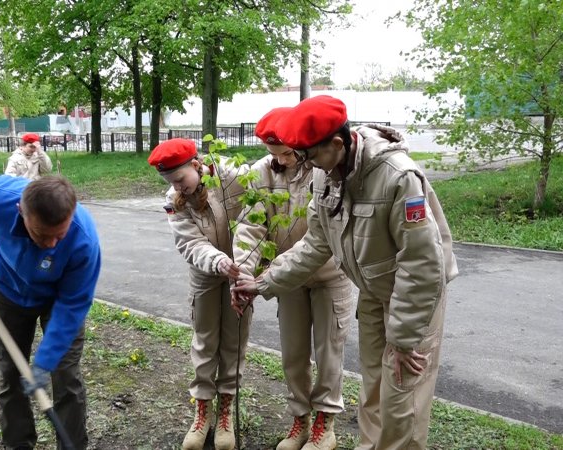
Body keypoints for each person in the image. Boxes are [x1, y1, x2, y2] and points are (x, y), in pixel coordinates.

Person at [232, 96, 458, 450]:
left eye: (309, 155)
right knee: (373, 389)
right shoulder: (325, 177)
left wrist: (403, 338)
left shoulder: (398, 177)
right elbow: (314, 245)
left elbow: (422, 265)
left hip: (415, 299)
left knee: (402, 400)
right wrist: (262, 282)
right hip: (373, 293)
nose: (304, 164)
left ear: (338, 143)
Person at [0, 175, 101, 450]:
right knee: (11, 375)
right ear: (20, 211)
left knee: (66, 376)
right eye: (42, 235)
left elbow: (72, 306)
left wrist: (44, 361)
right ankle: (17, 444)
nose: (51, 244)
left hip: (58, 301)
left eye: (59, 235)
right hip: (9, 292)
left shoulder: (84, 241)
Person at [233, 108, 354, 450]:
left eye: (288, 153)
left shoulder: (321, 169)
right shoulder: (260, 173)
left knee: (329, 351)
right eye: (275, 155)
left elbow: (320, 239)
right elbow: (250, 226)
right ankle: (300, 419)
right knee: (293, 352)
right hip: (286, 279)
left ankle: (324, 425)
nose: (283, 161)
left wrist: (271, 274)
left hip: (330, 274)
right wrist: (243, 270)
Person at [147, 138, 249, 450]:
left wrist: (243, 263)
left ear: (196, 165)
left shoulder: (232, 177)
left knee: (233, 340)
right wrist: (218, 261)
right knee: (205, 341)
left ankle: (226, 412)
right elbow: (188, 243)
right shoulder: (174, 199)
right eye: (170, 183)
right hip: (206, 274)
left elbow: (253, 217)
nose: (177, 188)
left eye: (179, 180)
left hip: (241, 271)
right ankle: (203, 409)